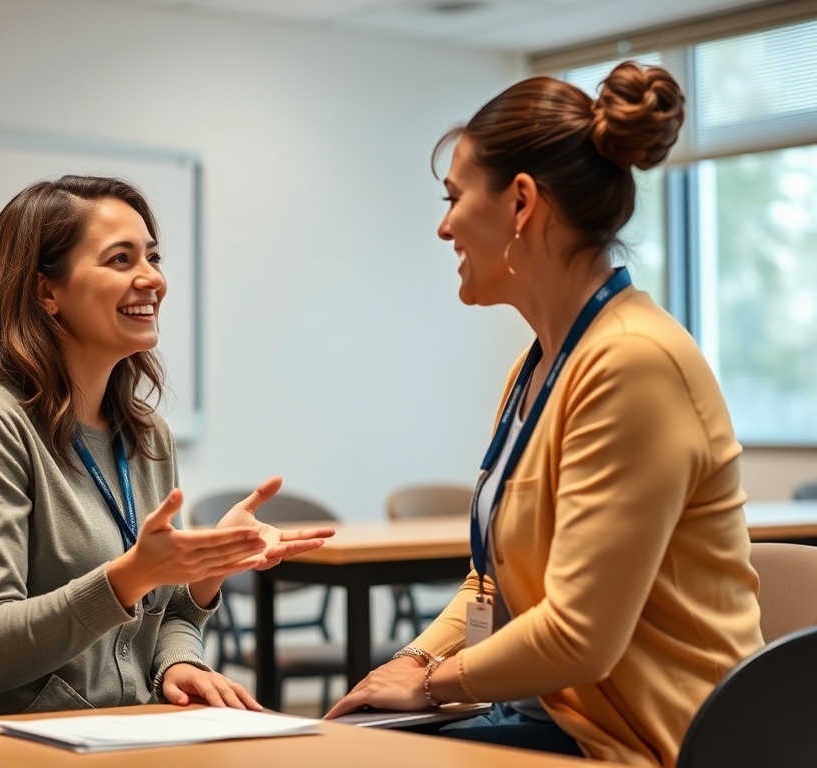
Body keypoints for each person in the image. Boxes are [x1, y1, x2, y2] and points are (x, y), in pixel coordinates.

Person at [325, 62, 763, 766]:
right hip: (555, 723)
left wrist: (436, 686)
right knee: (345, 741)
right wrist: (410, 662)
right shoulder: (541, 366)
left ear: (521, 203)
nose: (443, 228)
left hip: (641, 743)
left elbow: (579, 636)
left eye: (454, 198)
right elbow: (493, 583)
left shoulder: (631, 363)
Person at [0, 175, 333, 722]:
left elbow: (165, 619)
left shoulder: (145, 437)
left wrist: (181, 650)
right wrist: (131, 575)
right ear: (47, 292)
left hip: (107, 733)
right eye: (121, 259)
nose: (153, 280)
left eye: (153, 257)